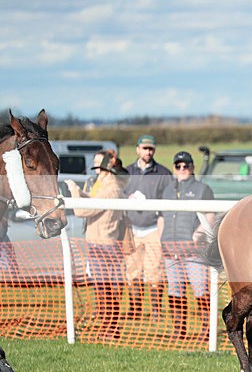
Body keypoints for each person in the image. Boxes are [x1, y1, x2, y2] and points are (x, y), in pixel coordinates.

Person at [66, 151, 130, 340]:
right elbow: (94, 202)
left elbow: (81, 210)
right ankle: (107, 328)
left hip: (104, 246)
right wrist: (81, 191)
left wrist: (74, 191)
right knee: (102, 290)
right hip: (98, 244)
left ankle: (110, 330)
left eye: (98, 166)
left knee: (106, 291)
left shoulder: (111, 189)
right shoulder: (104, 186)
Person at [161, 152, 216, 341]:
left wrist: (197, 235)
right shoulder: (167, 190)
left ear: (192, 167)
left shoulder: (203, 189)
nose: (182, 169)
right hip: (170, 250)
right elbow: (161, 216)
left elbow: (210, 215)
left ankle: (207, 329)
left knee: (200, 289)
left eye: (186, 165)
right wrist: (161, 239)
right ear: (174, 167)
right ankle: (179, 330)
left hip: (193, 252)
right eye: (178, 166)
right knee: (175, 290)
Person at [123, 135, 173, 320]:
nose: (148, 152)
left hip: (153, 229)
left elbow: (169, 201)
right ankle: (135, 310)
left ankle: (155, 310)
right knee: (132, 271)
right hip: (132, 229)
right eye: (144, 148)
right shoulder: (126, 172)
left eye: (151, 149)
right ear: (137, 149)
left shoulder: (164, 173)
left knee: (155, 272)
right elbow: (119, 194)